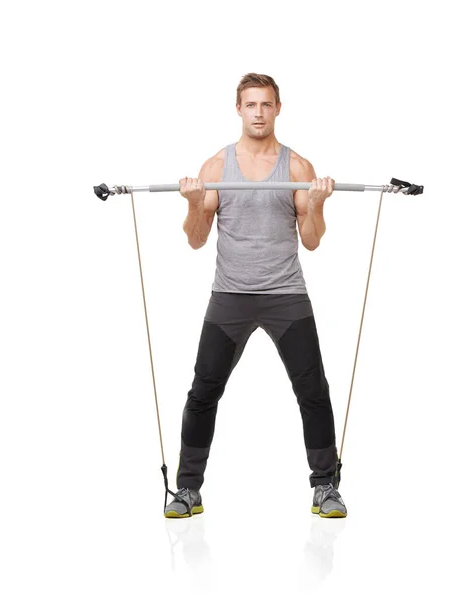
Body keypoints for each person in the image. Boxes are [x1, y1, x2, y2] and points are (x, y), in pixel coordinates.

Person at [165, 73, 347, 519]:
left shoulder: (298, 168)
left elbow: (312, 241)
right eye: (251, 105)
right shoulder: (215, 168)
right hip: (230, 294)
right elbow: (195, 240)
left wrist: (318, 204)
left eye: (266, 105)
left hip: (285, 293)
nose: (259, 113)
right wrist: (193, 203)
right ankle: (188, 490)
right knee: (203, 391)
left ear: (278, 108)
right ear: (239, 110)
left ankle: (325, 487)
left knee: (313, 392)